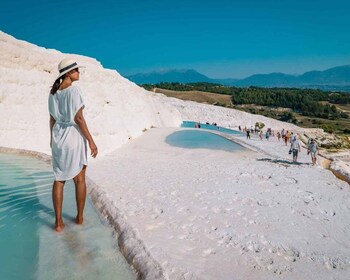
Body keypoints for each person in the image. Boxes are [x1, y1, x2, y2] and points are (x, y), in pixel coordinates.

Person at [49, 58, 98, 232]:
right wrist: (91, 141)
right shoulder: (74, 90)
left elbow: (52, 119)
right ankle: (79, 218)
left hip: (58, 136)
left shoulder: (53, 93)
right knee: (79, 179)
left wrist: (51, 139)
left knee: (59, 178)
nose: (79, 72)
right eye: (76, 70)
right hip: (73, 136)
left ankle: (58, 223)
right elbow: (78, 118)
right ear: (69, 73)